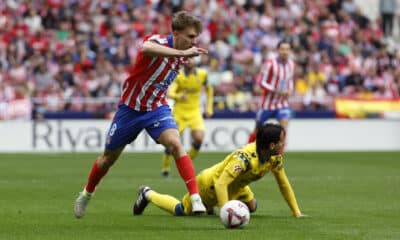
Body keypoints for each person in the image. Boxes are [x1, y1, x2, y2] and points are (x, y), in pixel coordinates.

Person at [74, 11, 209, 218]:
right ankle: (87, 194)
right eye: (190, 36)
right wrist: (182, 55)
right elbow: (146, 48)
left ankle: (195, 198)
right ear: (176, 32)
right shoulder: (159, 41)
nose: (194, 41)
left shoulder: (185, 54)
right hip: (130, 109)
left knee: (175, 144)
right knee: (107, 160)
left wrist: (185, 55)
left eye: (195, 37)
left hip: (156, 108)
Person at [133, 123, 305, 218]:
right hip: (211, 185)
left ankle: (211, 208)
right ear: (272, 145)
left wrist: (296, 213)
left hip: (237, 186)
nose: (284, 144)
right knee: (181, 211)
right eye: (282, 141)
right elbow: (221, 183)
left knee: (252, 207)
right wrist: (226, 212)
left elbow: (283, 184)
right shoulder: (244, 159)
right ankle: (148, 194)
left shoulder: (274, 158)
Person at [161, 58, 214, 177]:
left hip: (195, 112)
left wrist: (209, 108)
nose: (189, 61)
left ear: (196, 61)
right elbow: (170, 93)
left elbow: (209, 90)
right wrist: (179, 96)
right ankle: (165, 167)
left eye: (191, 59)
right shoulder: (178, 75)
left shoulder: (202, 74)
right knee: (171, 142)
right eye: (187, 59)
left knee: (199, 138)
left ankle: (186, 162)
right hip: (180, 112)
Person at [248, 39, 295, 155]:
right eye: (282, 49)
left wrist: (290, 90)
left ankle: (279, 155)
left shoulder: (291, 64)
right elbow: (261, 82)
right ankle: (247, 151)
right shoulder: (270, 64)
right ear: (278, 50)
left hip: (282, 103)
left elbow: (290, 81)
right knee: (258, 129)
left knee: (284, 127)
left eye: (287, 49)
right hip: (267, 104)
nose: (285, 52)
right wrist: (276, 90)